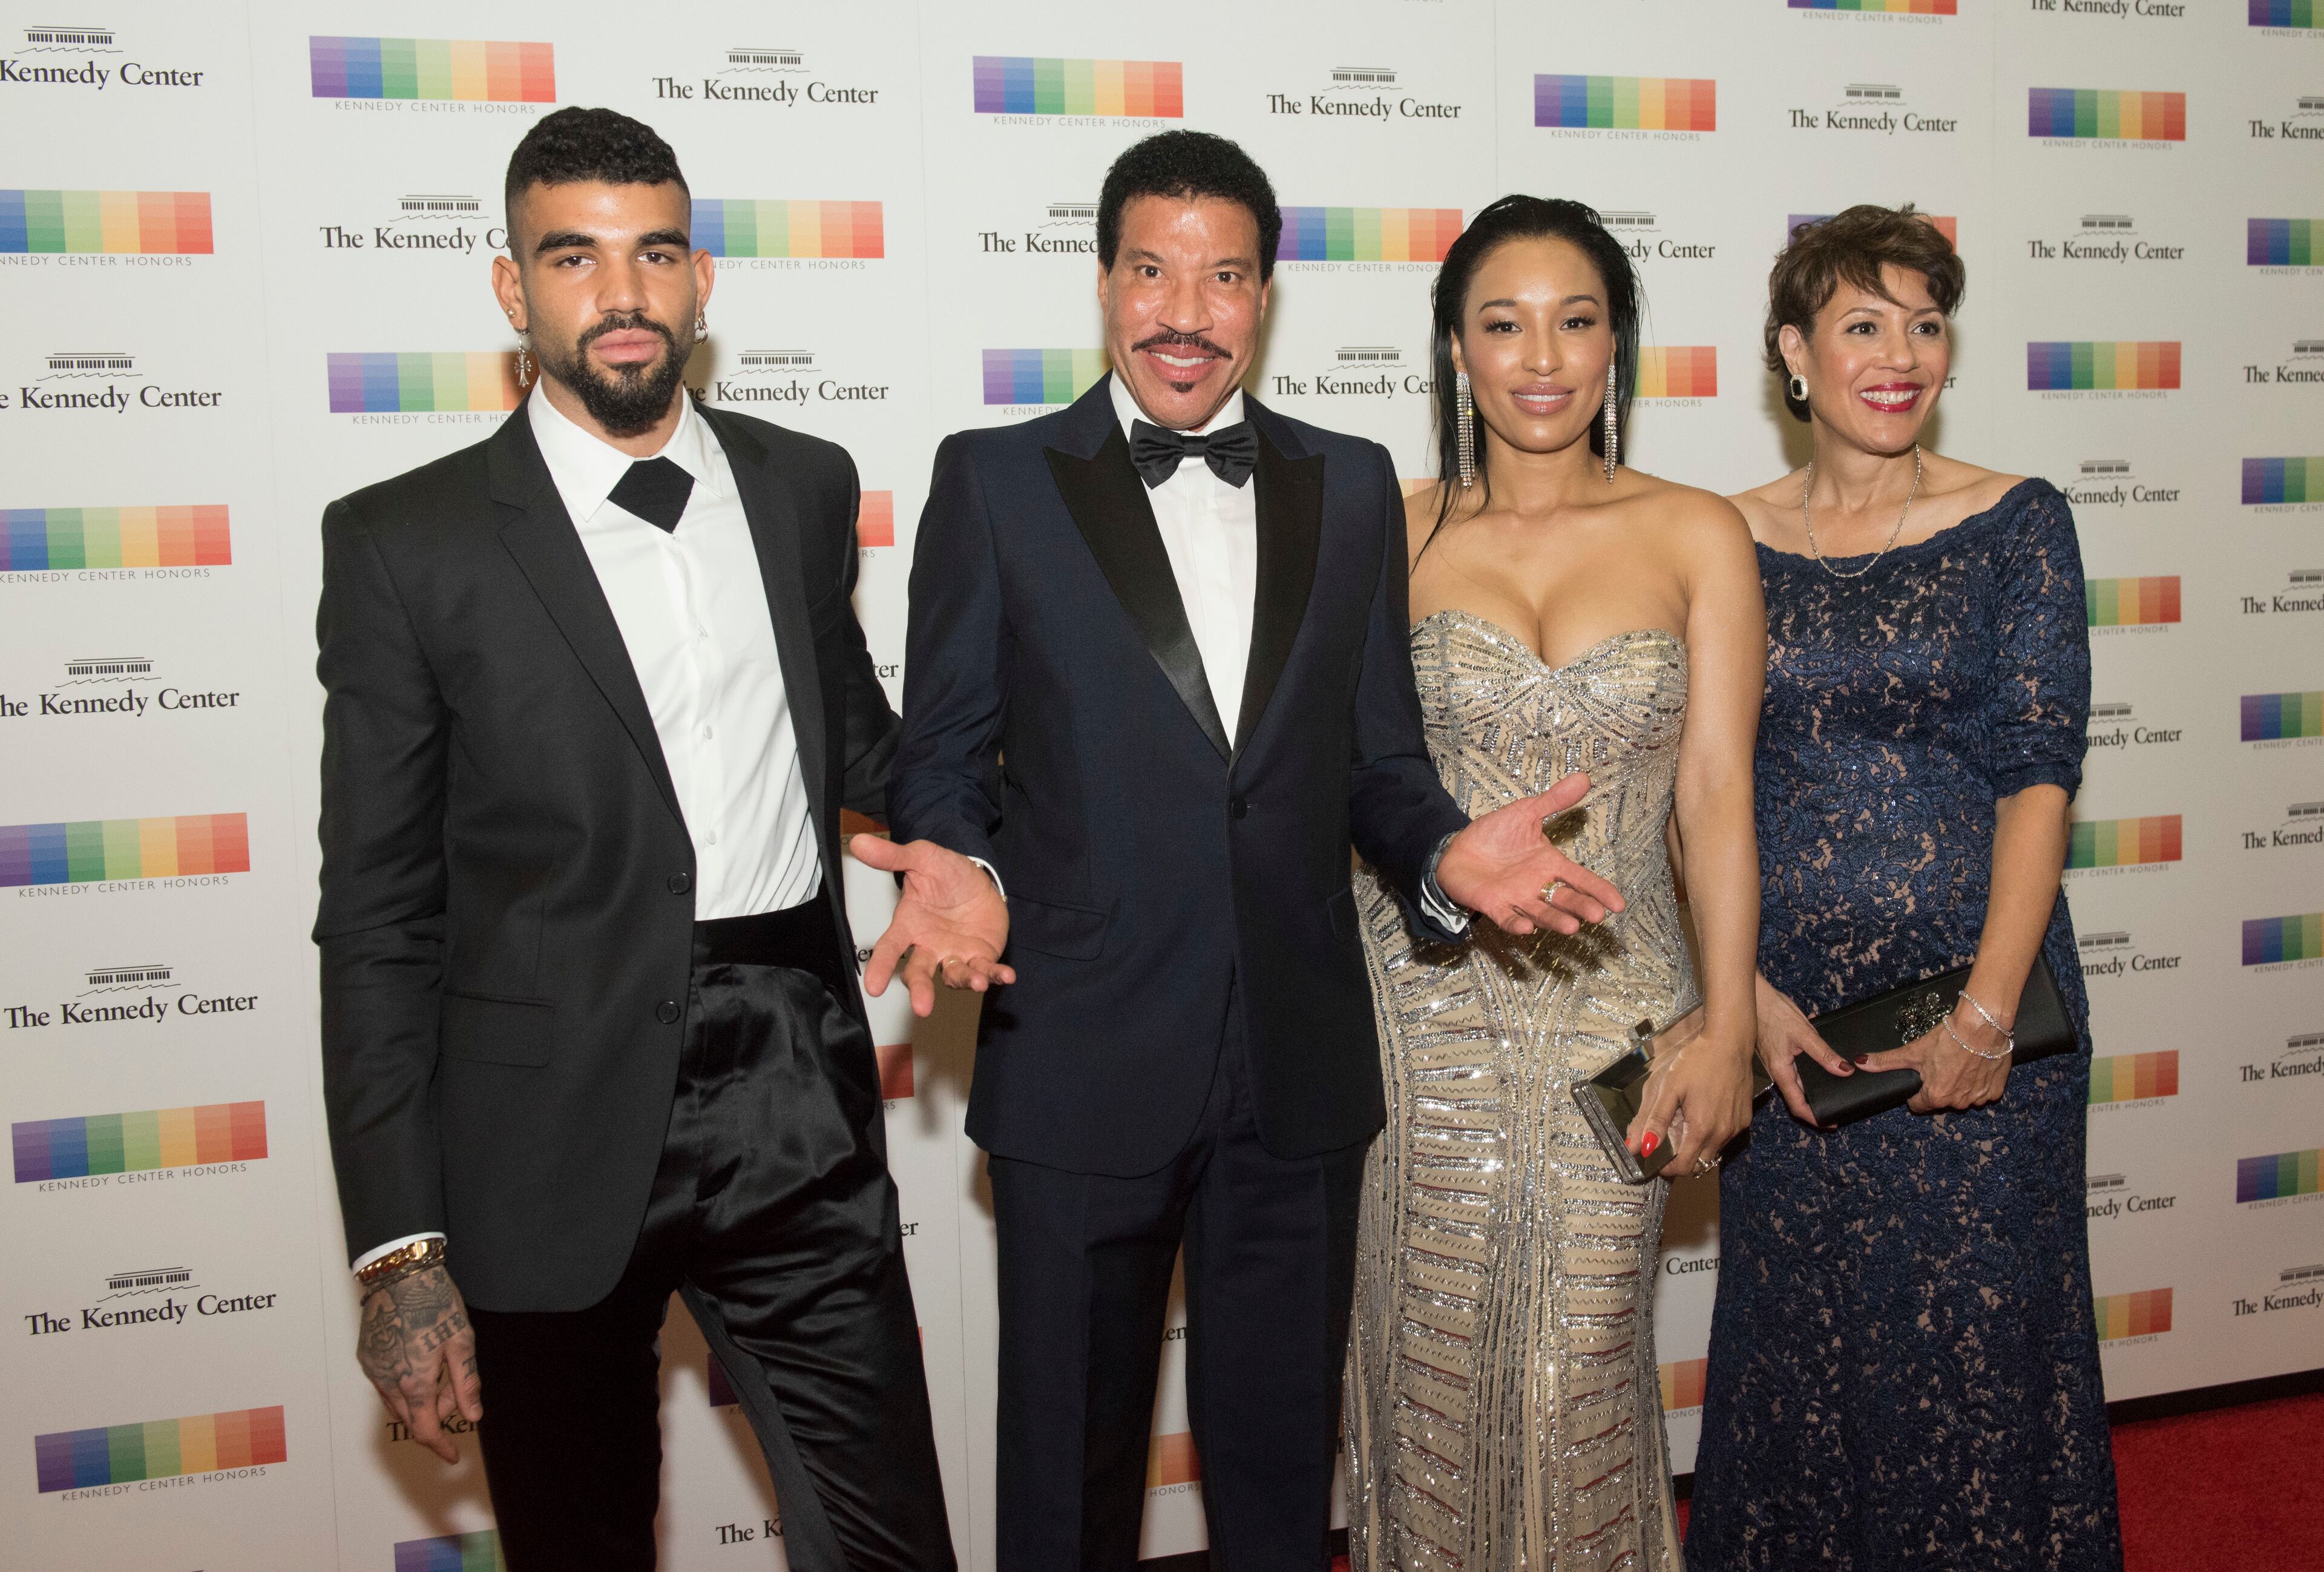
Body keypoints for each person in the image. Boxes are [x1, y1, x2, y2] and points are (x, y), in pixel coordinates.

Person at [862, 132, 1626, 1571]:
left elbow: (1381, 765)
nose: (1184, 311)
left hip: (1296, 1065)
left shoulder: (1349, 487)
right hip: (1079, 1049)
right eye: (1152, 271)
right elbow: (945, 754)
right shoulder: (996, 480)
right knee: (1064, 1488)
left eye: (1222, 279)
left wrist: (1444, 853)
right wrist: (956, 860)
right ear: (1103, 283)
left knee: (1282, 1487)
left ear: (1263, 298)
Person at [312, 108, 951, 1571]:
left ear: (701, 276)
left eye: (653, 253)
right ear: (510, 289)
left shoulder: (799, 486)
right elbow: (379, 915)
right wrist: (402, 1252)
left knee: (890, 1539)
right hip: (545, 1125)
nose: (621, 294)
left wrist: (974, 838)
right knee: (582, 1542)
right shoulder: (407, 544)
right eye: (574, 257)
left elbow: (861, 746)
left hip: (794, 1077)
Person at [1686, 205, 2122, 1570]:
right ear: (1792, 353)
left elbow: (2037, 777)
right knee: (1802, 1375)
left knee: (1978, 1374)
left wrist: (1988, 1017)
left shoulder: (2016, 524)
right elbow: (1685, 792)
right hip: (1796, 1034)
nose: (1900, 355)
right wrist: (1736, 1000)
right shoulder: (1720, 540)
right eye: (1863, 324)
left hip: (1977, 1022)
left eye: (1926, 324)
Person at [1342, 196, 1765, 1571]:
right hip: (1419, 1019)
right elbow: (1340, 782)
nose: (1541, 356)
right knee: (1429, 1383)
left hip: (1619, 1011)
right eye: (1502, 323)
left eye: (1576, 321)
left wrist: (1728, 1027)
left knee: (1583, 1367)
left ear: (1617, 347)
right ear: (1455, 351)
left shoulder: (1698, 531)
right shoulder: (1381, 531)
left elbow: (1714, 801)